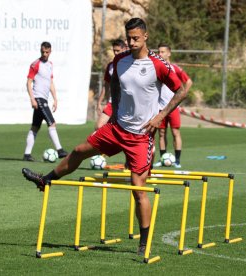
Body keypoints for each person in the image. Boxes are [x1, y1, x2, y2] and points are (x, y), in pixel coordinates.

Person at [22, 18, 187, 255]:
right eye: (128, 38)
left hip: (141, 137)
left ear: (146, 37)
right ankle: (45, 179)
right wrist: (113, 112)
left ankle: (144, 242)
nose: (131, 42)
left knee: (138, 188)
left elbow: (182, 89)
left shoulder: (157, 64)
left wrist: (161, 115)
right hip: (116, 128)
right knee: (78, 151)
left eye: (136, 38)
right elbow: (115, 87)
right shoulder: (119, 61)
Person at [23, 41, 68, 161]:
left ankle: (27, 155)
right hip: (38, 98)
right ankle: (60, 150)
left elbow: (50, 83)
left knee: (35, 127)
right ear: (40, 50)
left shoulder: (50, 64)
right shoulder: (35, 64)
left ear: (50, 51)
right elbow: (28, 82)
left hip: (44, 99)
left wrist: (55, 99)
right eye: (42, 51)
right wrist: (32, 99)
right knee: (52, 123)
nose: (44, 54)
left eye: (47, 52)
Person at [153, 43, 193, 168]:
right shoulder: (156, 68)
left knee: (175, 132)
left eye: (163, 52)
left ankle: (177, 160)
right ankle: (162, 158)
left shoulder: (175, 68)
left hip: (173, 106)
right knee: (161, 133)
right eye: (158, 52)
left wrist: (183, 94)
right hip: (160, 107)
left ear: (169, 53)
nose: (160, 54)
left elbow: (188, 81)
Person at [95, 39, 128, 130]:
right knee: (98, 127)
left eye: (118, 50)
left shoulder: (130, 64)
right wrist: (99, 102)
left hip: (127, 104)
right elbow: (106, 86)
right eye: (114, 51)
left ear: (124, 49)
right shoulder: (110, 66)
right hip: (112, 102)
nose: (116, 53)